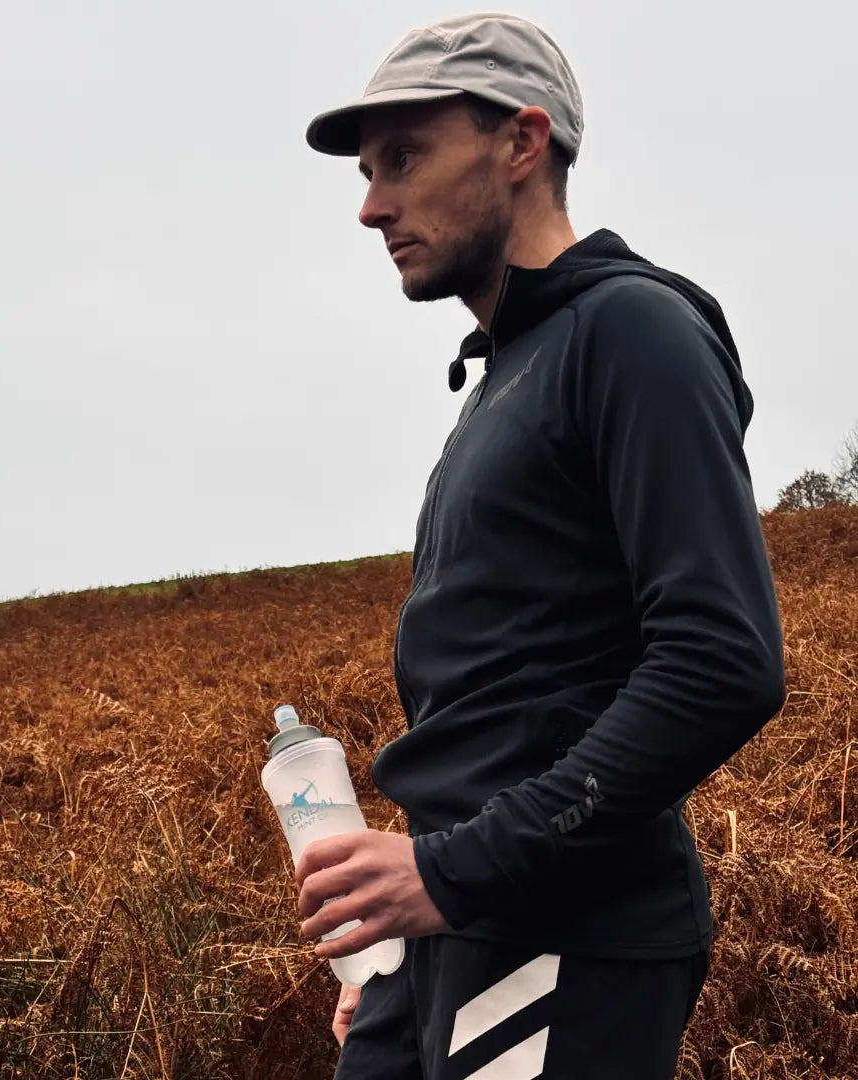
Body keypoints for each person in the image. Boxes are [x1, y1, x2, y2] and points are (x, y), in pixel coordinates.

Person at [293, 12, 785, 1079]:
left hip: (563, 931)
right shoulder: (506, 375)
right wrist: (412, 949)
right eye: (369, 174)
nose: (372, 206)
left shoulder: (633, 331)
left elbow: (723, 660)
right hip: (454, 931)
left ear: (522, 142)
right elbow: (504, 693)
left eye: (404, 159)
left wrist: (452, 877)